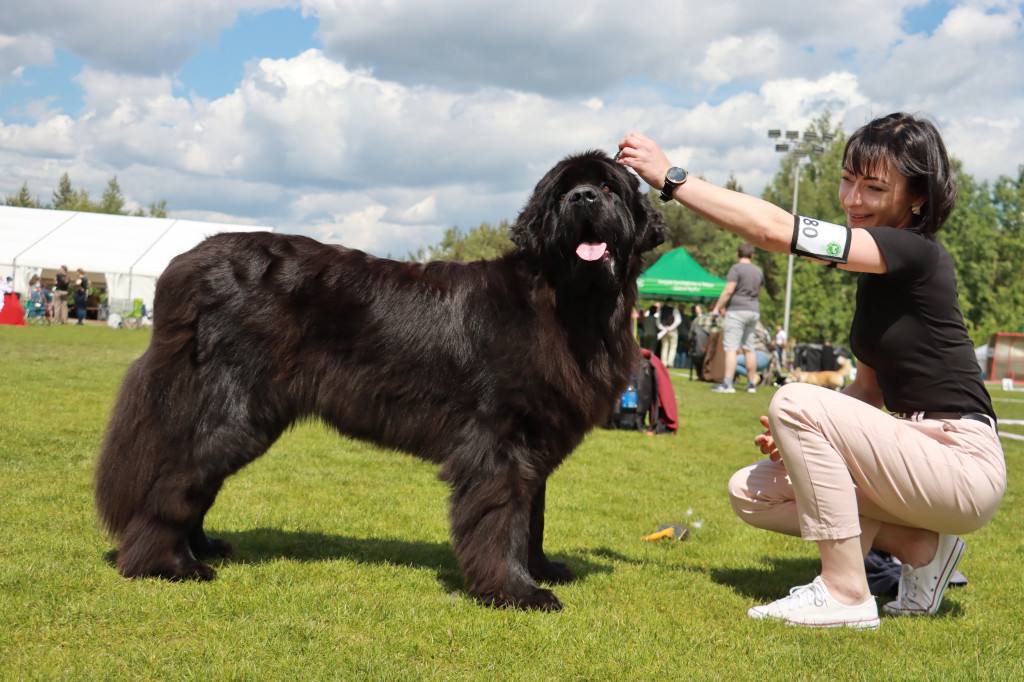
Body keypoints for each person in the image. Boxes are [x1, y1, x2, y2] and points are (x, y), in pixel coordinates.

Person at [618, 113, 1006, 629]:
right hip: (916, 454)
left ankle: (846, 593)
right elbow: (866, 391)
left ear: (918, 198)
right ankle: (922, 548)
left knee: (795, 399)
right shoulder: (877, 275)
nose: (852, 199)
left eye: (874, 187)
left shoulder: (914, 251)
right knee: (751, 492)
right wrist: (806, 440)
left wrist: (673, 178)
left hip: (961, 462)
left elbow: (776, 230)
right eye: (848, 180)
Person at [709, 243, 764, 393]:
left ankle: (727, 384)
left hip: (737, 310)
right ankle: (751, 384)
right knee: (749, 348)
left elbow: (728, 290)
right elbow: (759, 291)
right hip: (753, 310)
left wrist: (716, 307)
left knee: (731, 348)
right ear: (752, 255)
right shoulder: (759, 271)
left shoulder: (736, 269)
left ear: (737, 254)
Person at [657, 298, 682, 368]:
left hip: (664, 330)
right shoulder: (675, 310)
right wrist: (670, 328)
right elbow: (678, 321)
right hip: (672, 331)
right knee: (673, 347)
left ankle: (664, 362)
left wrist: (663, 328)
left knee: (664, 346)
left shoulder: (661, 310)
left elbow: (658, 321)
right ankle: (670, 363)